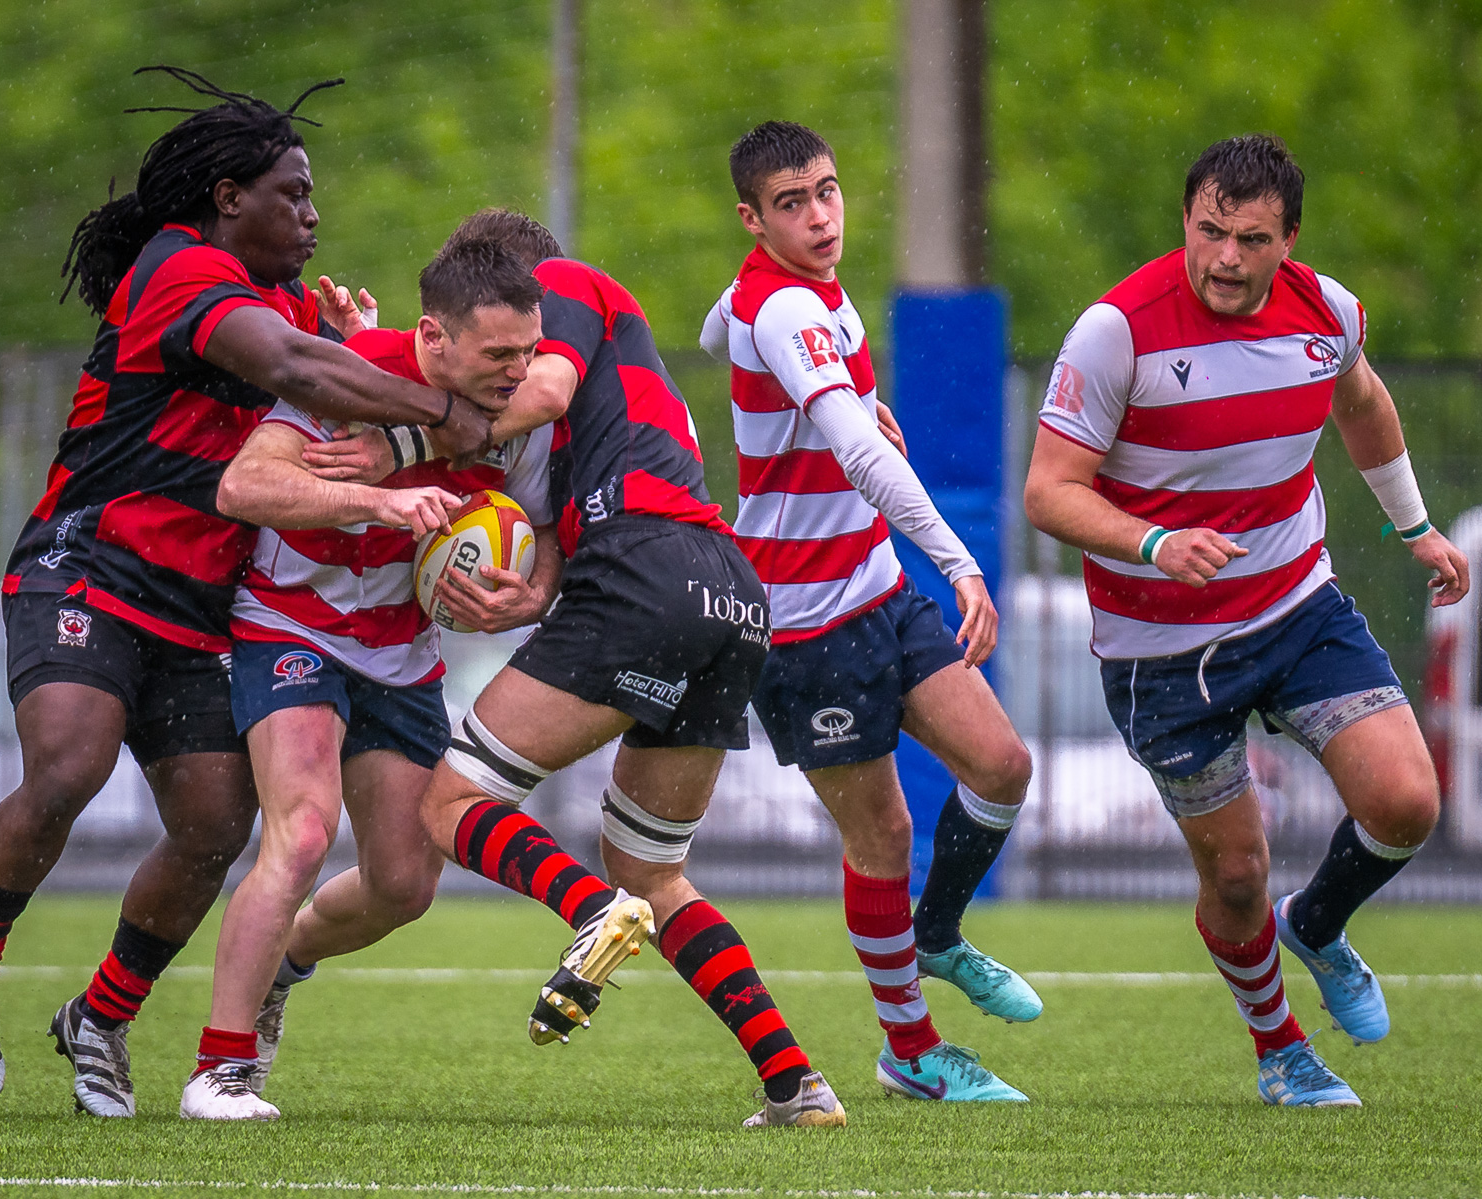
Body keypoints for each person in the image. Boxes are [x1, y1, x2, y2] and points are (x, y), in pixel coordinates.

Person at [0, 66, 499, 1119]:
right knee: (70, 762)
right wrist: (444, 415)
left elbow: (315, 370)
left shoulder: (282, 299)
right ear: (227, 196)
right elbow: (298, 369)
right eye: (294, 193)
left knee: (213, 822)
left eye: (314, 195)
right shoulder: (180, 270)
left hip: (203, 604)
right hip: (91, 565)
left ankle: (101, 1015)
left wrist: (358, 351)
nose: (313, 215)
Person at [306, 207, 846, 1129]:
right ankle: (796, 1081)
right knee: (653, 866)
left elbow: (542, 395)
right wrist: (381, 350)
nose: (510, 356)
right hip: (727, 592)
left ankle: (592, 911)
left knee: (447, 805)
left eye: (513, 329)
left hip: (645, 573)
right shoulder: (608, 375)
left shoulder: (563, 289)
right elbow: (543, 500)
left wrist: (400, 440)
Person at [1022, 134, 1469, 1107]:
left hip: (1296, 605)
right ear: (1185, 220)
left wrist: (1417, 526)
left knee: (1406, 801)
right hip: (1161, 651)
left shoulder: (1328, 311)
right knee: (1233, 877)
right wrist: (1152, 542)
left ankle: (1315, 922)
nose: (1225, 258)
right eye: (1210, 232)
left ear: (1290, 241)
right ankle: (1281, 1048)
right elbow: (1048, 492)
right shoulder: (1118, 331)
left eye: (1251, 239)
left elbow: (1362, 403)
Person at [178, 235, 562, 1120]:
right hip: (290, 626)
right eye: (500, 354)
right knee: (304, 833)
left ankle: (282, 966)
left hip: (402, 655)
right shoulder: (347, 372)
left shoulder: (517, 418)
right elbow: (242, 485)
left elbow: (545, 533)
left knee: (403, 884)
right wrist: (378, 499)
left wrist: (529, 595)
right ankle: (219, 1067)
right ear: (434, 338)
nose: (519, 371)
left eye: (529, 351)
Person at [695, 121, 1035, 1104]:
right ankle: (912, 1048)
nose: (819, 215)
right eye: (791, 203)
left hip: (875, 587)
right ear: (753, 218)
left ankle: (936, 933)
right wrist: (962, 563)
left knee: (1003, 764)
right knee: (882, 832)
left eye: (828, 192)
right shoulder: (789, 312)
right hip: (802, 623)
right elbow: (855, 447)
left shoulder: (783, 297)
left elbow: (720, 325)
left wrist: (772, 367)